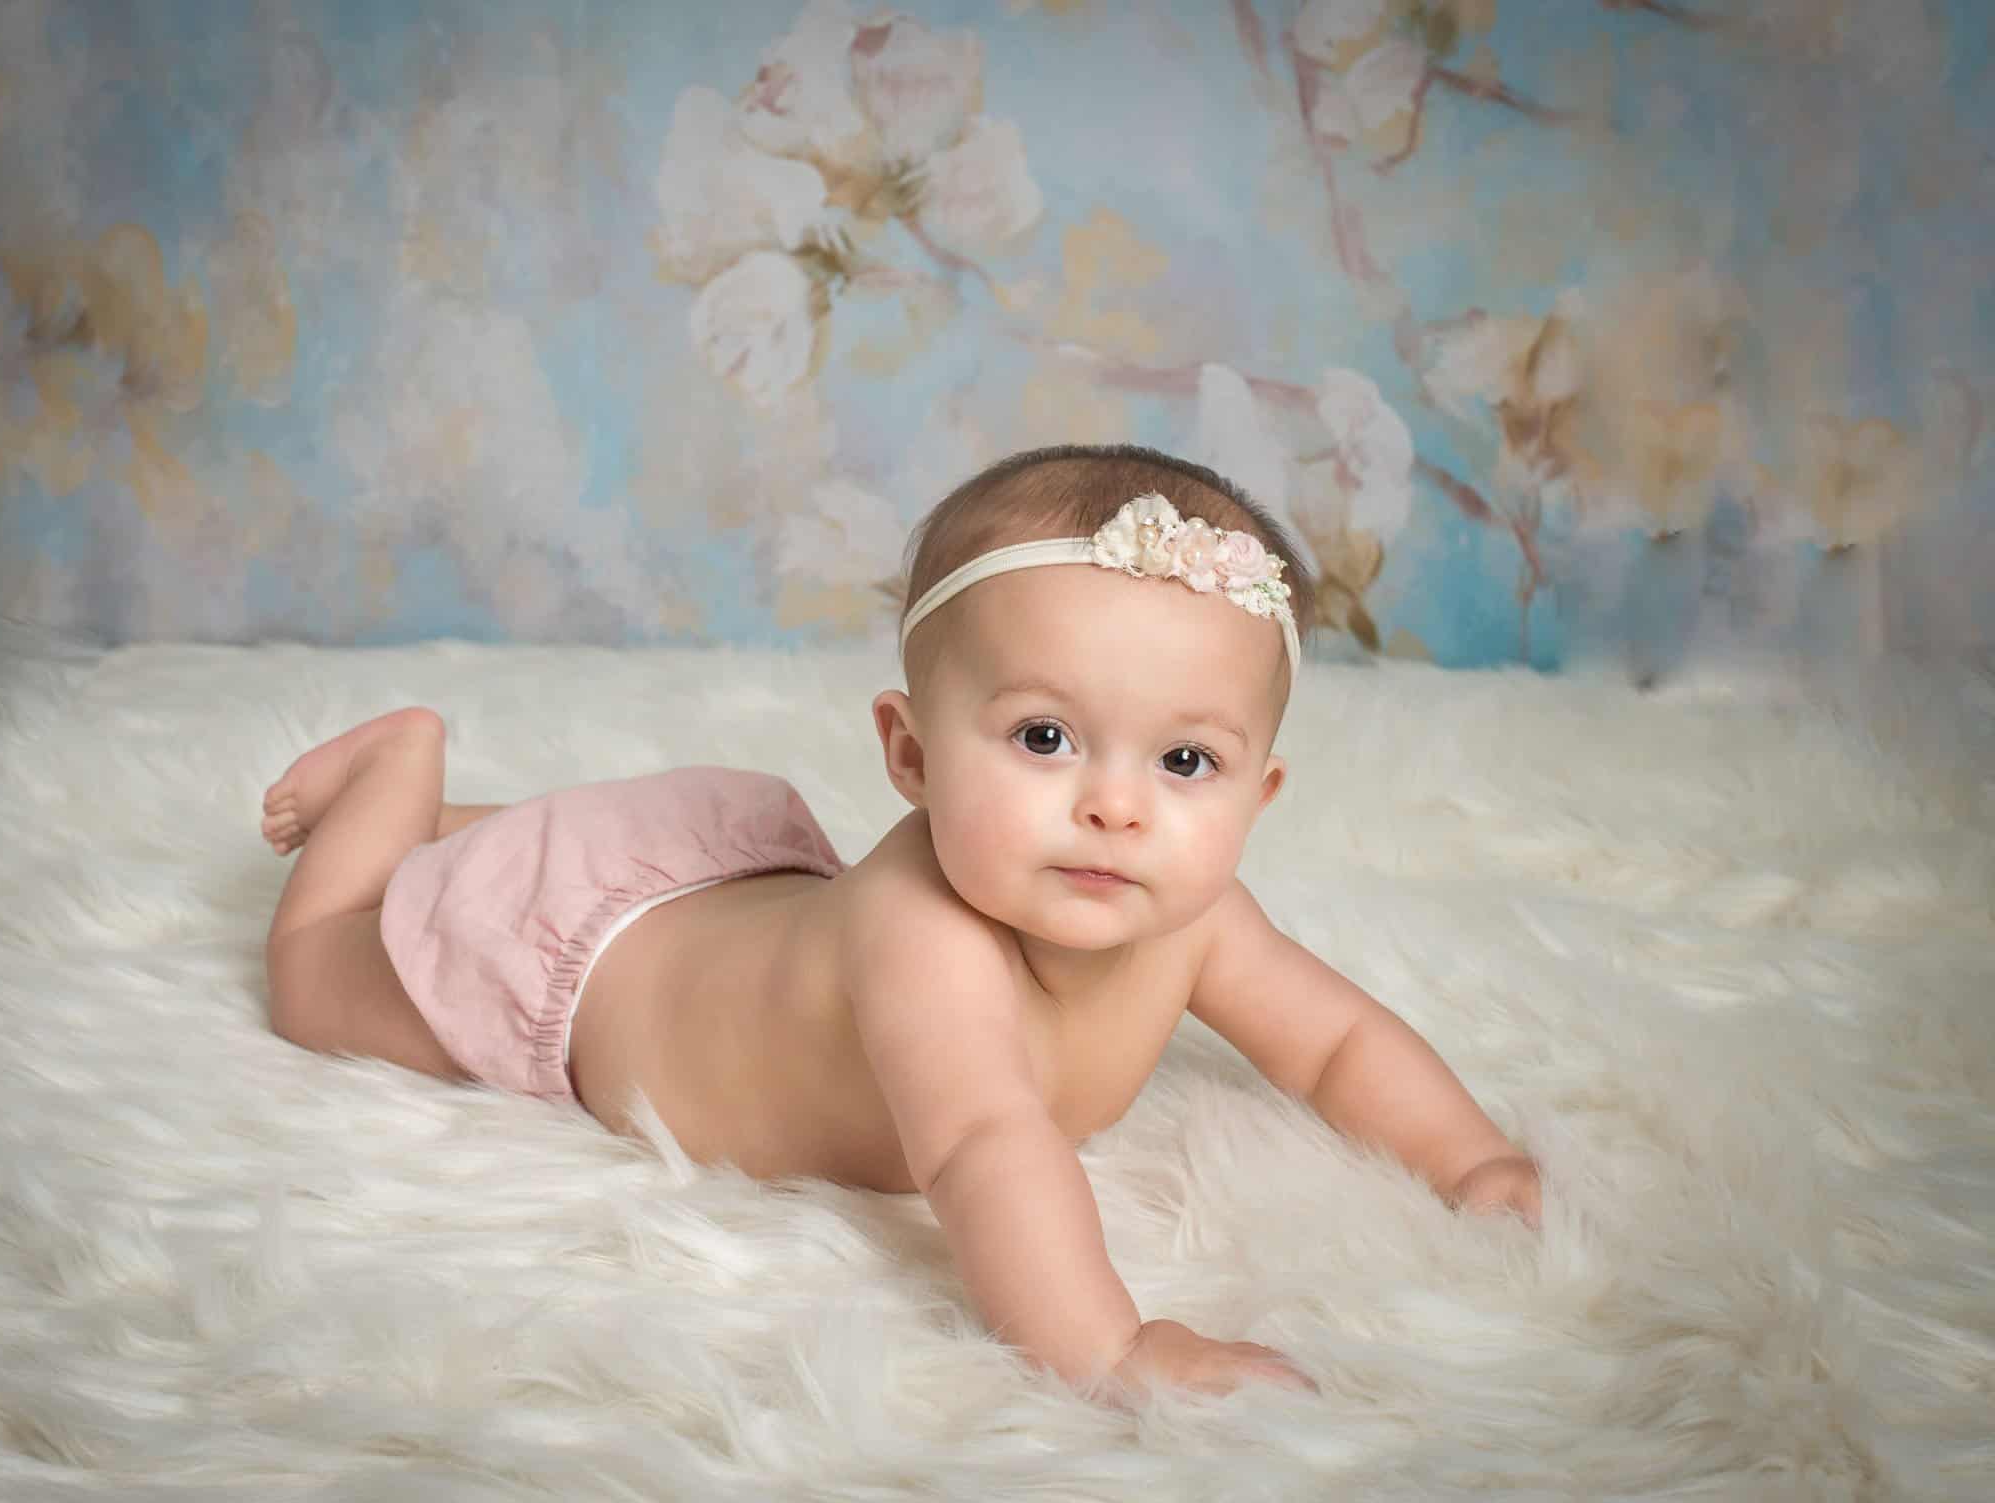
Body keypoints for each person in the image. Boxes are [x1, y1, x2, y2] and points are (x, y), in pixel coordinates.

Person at [260, 443, 1542, 1400]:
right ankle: (395, 778)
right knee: (322, 986)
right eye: (1045, 738)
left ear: (1258, 794)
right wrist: (1111, 1348)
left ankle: (478, 815)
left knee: (578, 847)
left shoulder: (1192, 917)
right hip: (590, 966)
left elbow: (1334, 1044)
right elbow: (984, 1146)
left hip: (735, 910)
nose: (1115, 809)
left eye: (1186, 764)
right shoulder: (923, 938)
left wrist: (1471, 1163)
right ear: (912, 753)